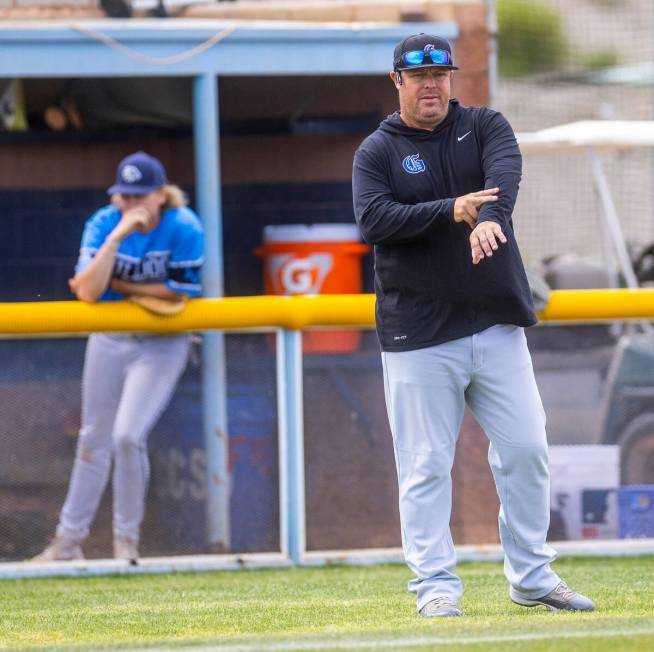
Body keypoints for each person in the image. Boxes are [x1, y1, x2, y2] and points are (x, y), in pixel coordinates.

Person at [352, 34, 595, 616]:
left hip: (493, 324)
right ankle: (436, 588)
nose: (432, 84)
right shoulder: (377, 151)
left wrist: (486, 215)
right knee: (425, 466)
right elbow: (374, 220)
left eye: (441, 73)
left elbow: (503, 179)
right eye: (419, 76)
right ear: (398, 82)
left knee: (527, 449)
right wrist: (451, 210)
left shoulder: (485, 125)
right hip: (417, 334)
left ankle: (532, 577)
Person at [34, 151, 204, 564]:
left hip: (163, 341)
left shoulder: (184, 225)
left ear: (161, 195)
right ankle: (67, 544)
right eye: (123, 196)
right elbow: (88, 292)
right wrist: (118, 236)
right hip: (110, 339)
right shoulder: (103, 223)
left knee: (127, 436)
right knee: (94, 439)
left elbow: (179, 292)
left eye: (139, 196)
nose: (131, 204)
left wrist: (120, 284)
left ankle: (125, 544)